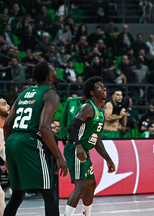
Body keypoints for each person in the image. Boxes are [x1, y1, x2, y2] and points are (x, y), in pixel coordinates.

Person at [3, 61, 68, 216]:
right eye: (54, 70)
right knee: (49, 191)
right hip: (29, 141)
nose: (57, 72)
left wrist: (8, 152)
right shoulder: (51, 94)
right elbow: (44, 127)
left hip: (12, 141)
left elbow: (6, 125)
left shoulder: (23, 94)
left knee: (17, 194)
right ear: (50, 76)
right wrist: (59, 156)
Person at [63, 77, 116, 216]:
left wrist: (108, 159)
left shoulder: (100, 112)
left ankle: (87, 214)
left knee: (91, 185)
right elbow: (72, 128)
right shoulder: (88, 107)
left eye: (104, 86)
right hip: (75, 149)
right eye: (100, 87)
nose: (104, 89)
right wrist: (78, 145)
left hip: (84, 151)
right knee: (81, 186)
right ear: (92, 92)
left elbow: (97, 141)